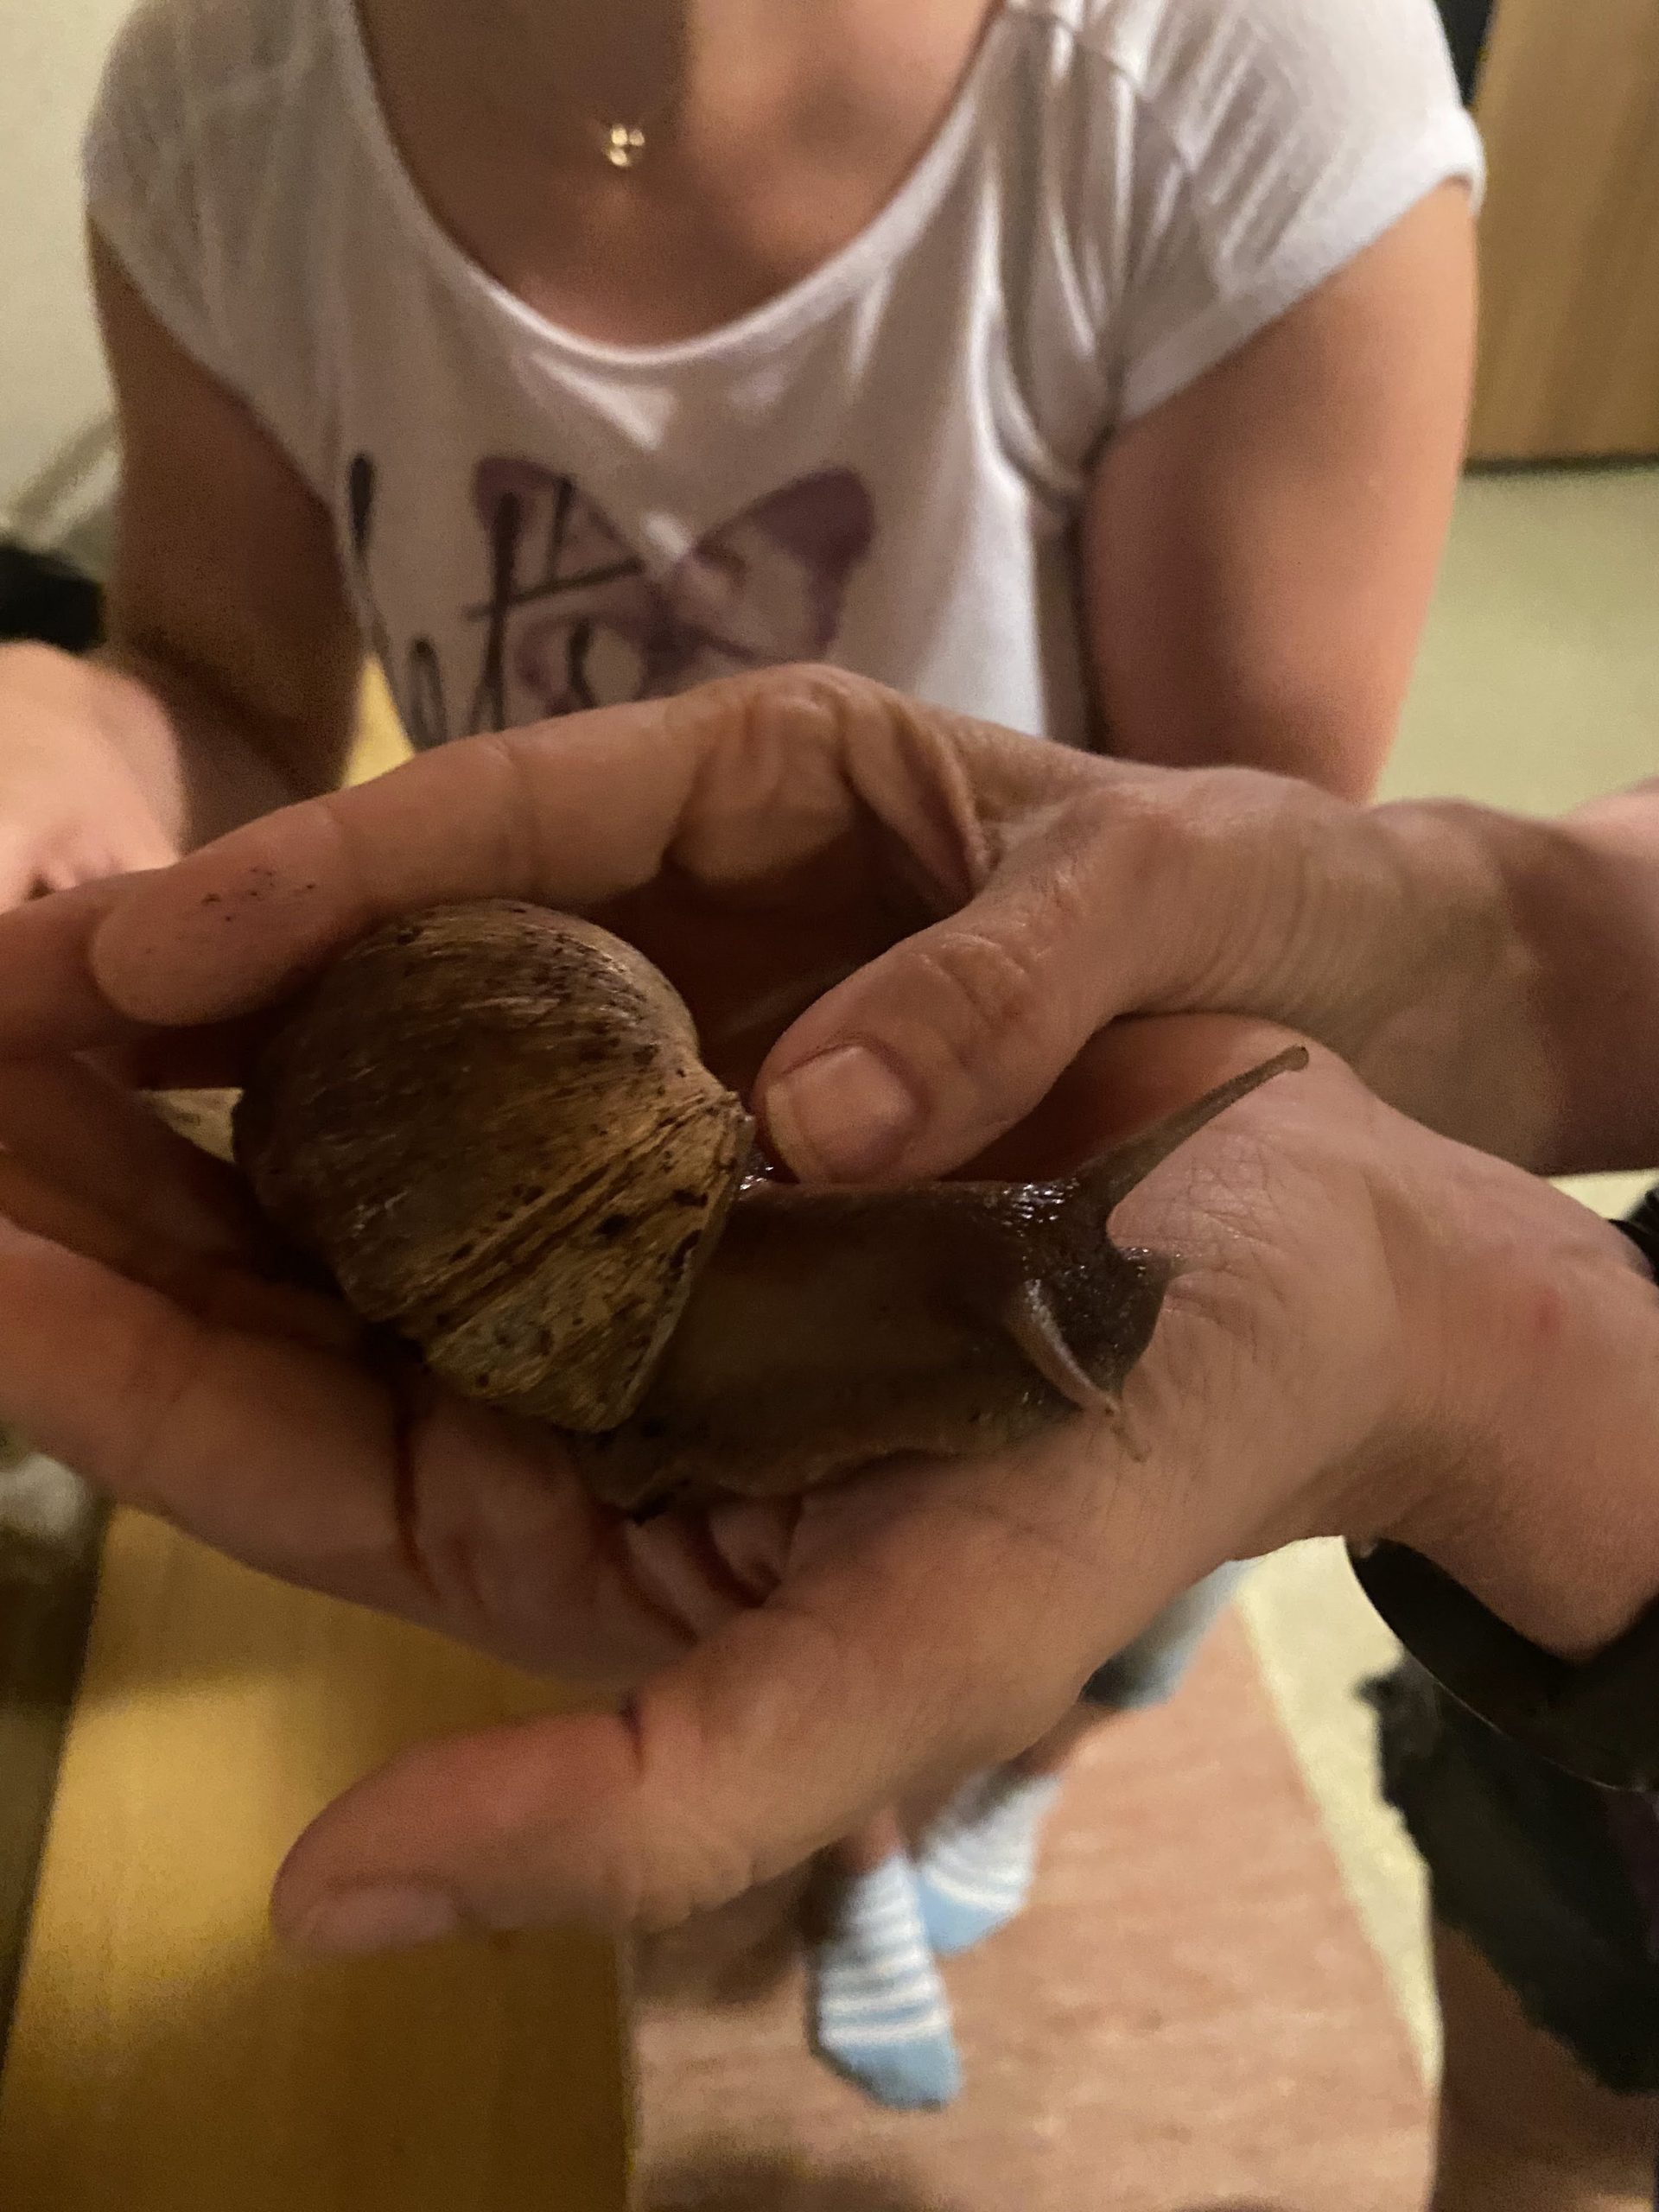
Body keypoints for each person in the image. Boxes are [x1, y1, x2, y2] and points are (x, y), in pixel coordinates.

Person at [0, 0, 1481, 2107]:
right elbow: (228, 694)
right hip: (597, 1110)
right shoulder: (222, 113)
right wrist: (79, 730)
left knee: (1095, 1541)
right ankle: (869, 1809)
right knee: (760, 1542)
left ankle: (1010, 1772)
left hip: (1033, 1101)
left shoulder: (1234, 83)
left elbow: (1244, 879)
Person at [1, 668, 1657, 2206]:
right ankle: (889, 1838)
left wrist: (1493, 1364)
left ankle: (994, 1797)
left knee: (1108, 1637)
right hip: (1567, 1794)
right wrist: (1438, 931)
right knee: (1529, 2108)